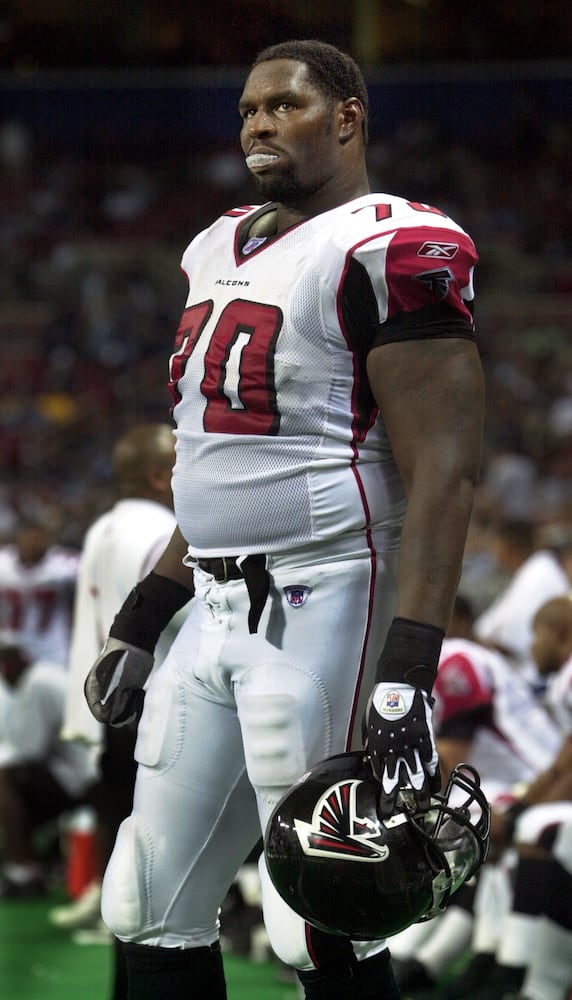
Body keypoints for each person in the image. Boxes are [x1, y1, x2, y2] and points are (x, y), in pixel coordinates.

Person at [84, 39, 485, 999]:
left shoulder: (394, 242)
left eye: (284, 105)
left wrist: (409, 663)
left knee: (324, 909)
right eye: (248, 110)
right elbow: (221, 468)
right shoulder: (216, 245)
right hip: (214, 604)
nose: (258, 124)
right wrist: (146, 613)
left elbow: (445, 470)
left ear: (347, 117)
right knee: (146, 898)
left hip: (330, 592)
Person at [49, 424, 187, 995]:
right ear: (157, 476)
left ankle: (122, 985)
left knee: (124, 863)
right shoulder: (161, 532)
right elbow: (182, 620)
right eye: (180, 459)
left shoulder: (102, 528)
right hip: (159, 715)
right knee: (160, 874)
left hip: (110, 712)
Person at [390, 594, 563, 997]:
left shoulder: (457, 657)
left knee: (446, 823)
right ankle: (430, 960)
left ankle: (412, 955)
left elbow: (452, 757)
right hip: (508, 782)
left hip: (532, 783)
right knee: (456, 822)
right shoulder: (459, 659)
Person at [0, 641, 97, 897]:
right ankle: (37, 860)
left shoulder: (37, 683)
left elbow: (29, 751)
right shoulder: (42, 675)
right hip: (83, 769)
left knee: (4, 779)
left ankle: (23, 870)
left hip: (83, 776)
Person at [0, 517, 80, 666]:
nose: (31, 544)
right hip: (9, 649)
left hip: (51, 651)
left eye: (37, 539)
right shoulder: (3, 563)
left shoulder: (64, 566)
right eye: (27, 538)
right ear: (17, 540)